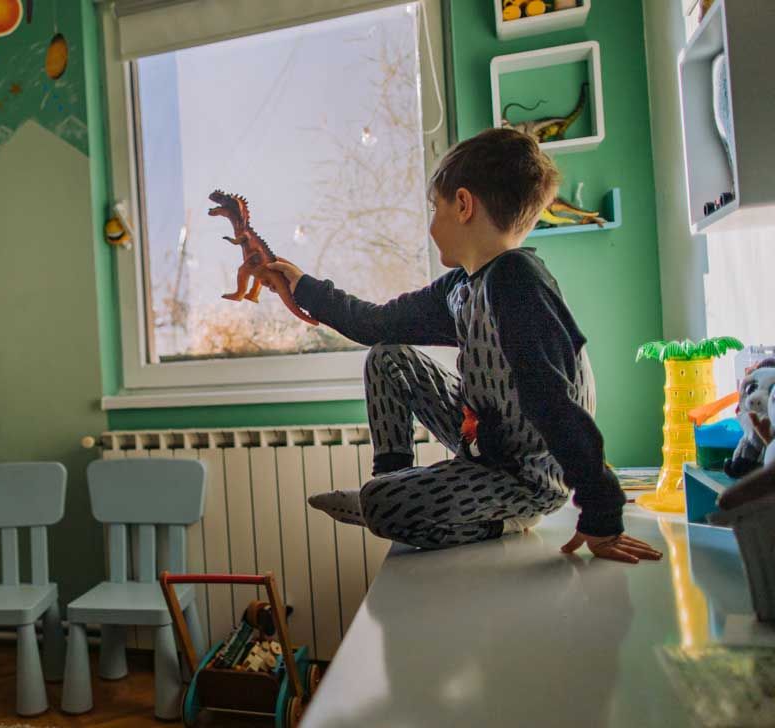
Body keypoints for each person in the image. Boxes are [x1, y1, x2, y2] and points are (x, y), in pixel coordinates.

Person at [267, 128, 661, 564]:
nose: (433, 223)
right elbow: (376, 324)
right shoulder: (461, 287)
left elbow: (552, 399)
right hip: (488, 443)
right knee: (387, 357)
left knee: (380, 505)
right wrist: (301, 286)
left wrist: (602, 509)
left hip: (527, 475)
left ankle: (432, 508)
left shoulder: (517, 281)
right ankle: (396, 484)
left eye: (436, 209)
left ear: (463, 204)